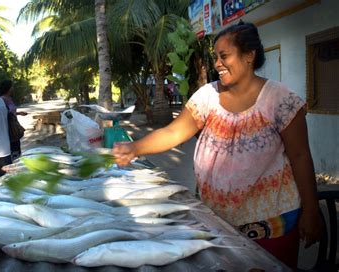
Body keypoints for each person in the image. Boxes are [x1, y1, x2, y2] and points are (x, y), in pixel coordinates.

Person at [112, 21, 322, 270]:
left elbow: (300, 156)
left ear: (249, 56)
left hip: (272, 223)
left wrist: (311, 210)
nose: (217, 64)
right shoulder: (207, 96)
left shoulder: (281, 100)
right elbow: (173, 132)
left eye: (224, 56)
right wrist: (135, 148)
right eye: (216, 57)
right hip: (215, 219)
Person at [0, 79, 28, 161]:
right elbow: (4, 114)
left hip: (14, 129)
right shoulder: (2, 100)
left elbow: (10, 112)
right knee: (13, 154)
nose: (13, 88)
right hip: (8, 131)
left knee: (16, 152)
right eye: (12, 87)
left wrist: (19, 113)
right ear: (8, 88)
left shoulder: (9, 98)